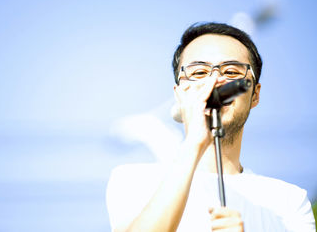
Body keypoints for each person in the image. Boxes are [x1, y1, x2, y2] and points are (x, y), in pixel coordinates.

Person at [106, 22, 316, 231]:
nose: (215, 80)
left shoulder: (290, 201)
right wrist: (194, 141)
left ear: (255, 95)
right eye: (199, 72)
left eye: (232, 72)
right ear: (179, 95)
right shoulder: (133, 180)